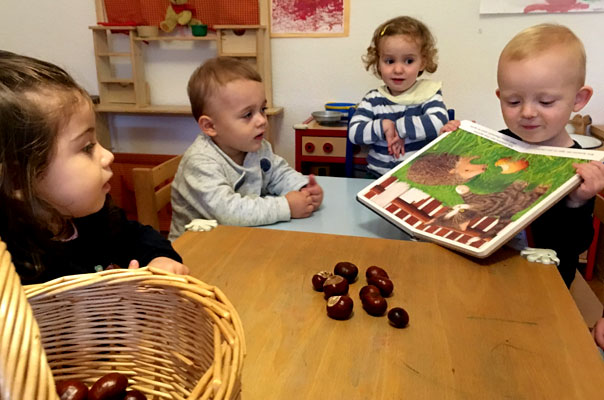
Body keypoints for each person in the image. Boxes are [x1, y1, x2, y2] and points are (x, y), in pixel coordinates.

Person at [0, 50, 189, 284]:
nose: (108, 155)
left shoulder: (93, 217)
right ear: (18, 179)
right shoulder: (12, 265)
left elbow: (139, 237)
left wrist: (160, 259)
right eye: (87, 147)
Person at [441, 24, 604, 287]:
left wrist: (578, 202)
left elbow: (576, 245)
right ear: (500, 96)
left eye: (546, 102)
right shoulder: (501, 142)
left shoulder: (580, 166)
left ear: (578, 99)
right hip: (489, 269)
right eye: (514, 101)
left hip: (545, 284)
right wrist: (457, 144)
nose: (527, 112)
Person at [169, 57, 323, 240]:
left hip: (239, 239)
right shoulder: (200, 162)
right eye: (248, 114)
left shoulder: (257, 147)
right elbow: (229, 212)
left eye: (263, 109)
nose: (262, 120)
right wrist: (286, 207)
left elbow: (278, 173)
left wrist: (303, 190)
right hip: (194, 252)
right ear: (210, 126)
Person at [348, 16, 449, 178]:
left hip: (418, 178)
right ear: (378, 63)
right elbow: (354, 133)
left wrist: (399, 129)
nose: (398, 69)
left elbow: (438, 122)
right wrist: (384, 126)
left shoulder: (428, 94)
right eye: (389, 61)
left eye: (409, 61)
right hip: (376, 176)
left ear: (422, 62)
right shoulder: (373, 99)